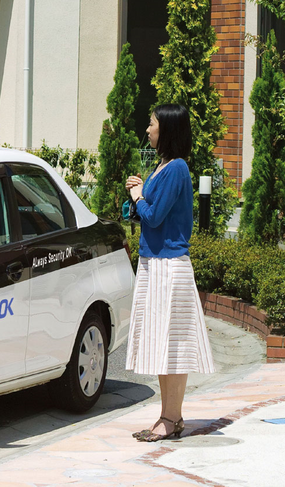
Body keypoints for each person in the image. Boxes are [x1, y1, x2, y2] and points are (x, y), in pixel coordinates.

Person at [124, 103, 215, 442]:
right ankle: (168, 417)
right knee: (162, 342)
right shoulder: (162, 167)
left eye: (152, 124)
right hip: (155, 262)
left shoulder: (177, 168)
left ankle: (171, 417)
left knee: (172, 344)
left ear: (167, 129)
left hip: (169, 265)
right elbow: (142, 214)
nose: (147, 129)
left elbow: (154, 215)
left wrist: (138, 196)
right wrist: (135, 197)